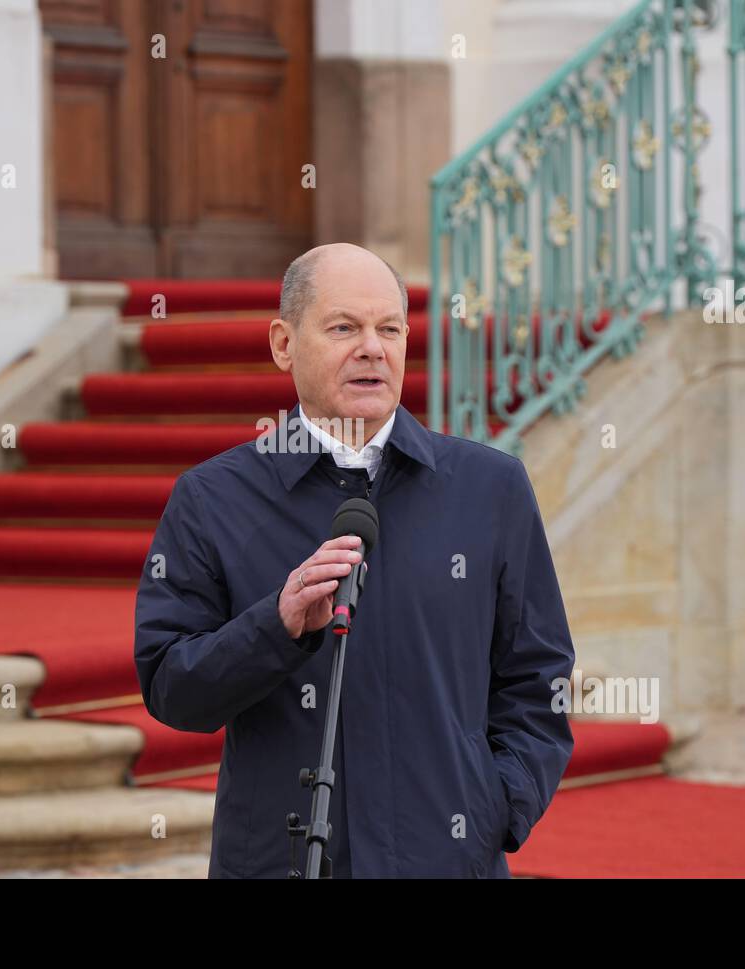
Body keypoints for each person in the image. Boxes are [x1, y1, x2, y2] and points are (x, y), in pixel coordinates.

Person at [134, 243, 575, 877]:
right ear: (284, 344)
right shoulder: (212, 498)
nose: (372, 348)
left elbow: (540, 675)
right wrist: (275, 628)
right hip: (282, 862)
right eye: (344, 328)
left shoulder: (491, 488)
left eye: (389, 328)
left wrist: (497, 804)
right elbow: (172, 689)